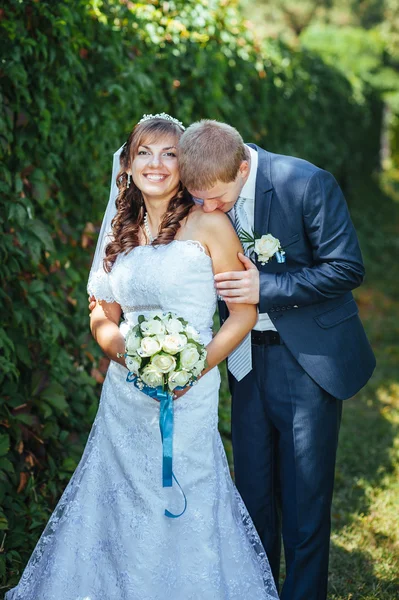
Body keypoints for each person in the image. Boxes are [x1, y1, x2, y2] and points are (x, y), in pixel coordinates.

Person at [5, 114, 279, 600]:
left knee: (185, 488)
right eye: (144, 153)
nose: (156, 163)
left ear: (185, 164)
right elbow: (101, 314)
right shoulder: (119, 229)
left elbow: (242, 313)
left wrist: (195, 367)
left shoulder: (210, 224)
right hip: (124, 395)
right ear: (128, 165)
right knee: (120, 496)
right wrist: (125, 355)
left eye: (169, 153)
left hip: (191, 392)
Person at [177, 119, 376, 600]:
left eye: (218, 200)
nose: (209, 209)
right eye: (198, 199)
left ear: (243, 167)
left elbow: (346, 266)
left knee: (304, 499)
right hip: (243, 361)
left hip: (305, 360)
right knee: (252, 493)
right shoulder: (205, 191)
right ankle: (257, 590)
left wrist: (266, 288)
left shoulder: (305, 183)